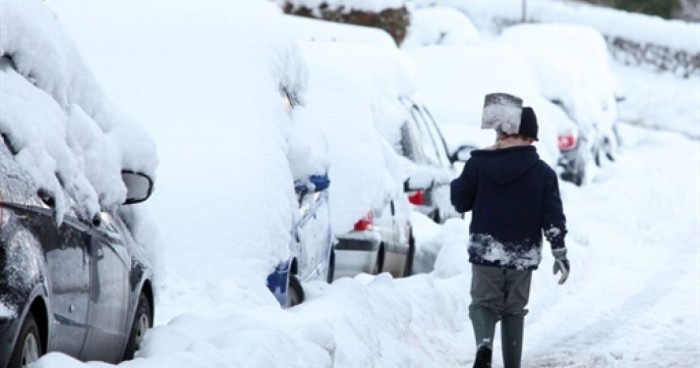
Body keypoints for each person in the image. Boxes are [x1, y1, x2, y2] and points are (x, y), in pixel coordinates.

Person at [450, 105, 570, 368]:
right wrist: (559, 252)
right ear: (530, 138)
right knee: (514, 310)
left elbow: (459, 201)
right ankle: (512, 365)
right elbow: (553, 218)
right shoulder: (543, 173)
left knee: (483, 303)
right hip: (522, 252)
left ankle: (484, 344)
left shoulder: (478, 163)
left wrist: (464, 179)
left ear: (503, 132)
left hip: (486, 249)